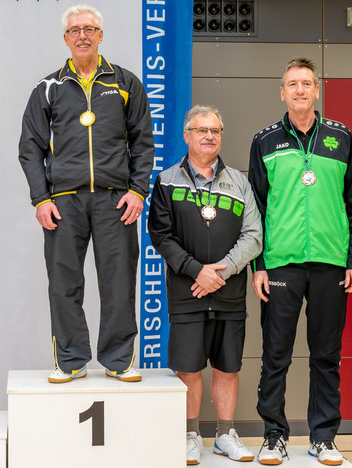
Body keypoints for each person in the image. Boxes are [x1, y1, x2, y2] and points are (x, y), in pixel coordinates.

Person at [19, 4, 154, 384]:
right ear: (65, 38)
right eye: (75, 30)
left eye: (89, 29)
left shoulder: (126, 83)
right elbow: (30, 147)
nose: (83, 35)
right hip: (64, 201)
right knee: (64, 284)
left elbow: (143, 142)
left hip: (116, 200)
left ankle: (118, 359)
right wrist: (41, 198)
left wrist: (138, 191)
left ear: (100, 35)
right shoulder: (48, 88)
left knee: (119, 282)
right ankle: (71, 360)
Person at [249, 57, 352, 466]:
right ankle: (273, 435)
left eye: (306, 83)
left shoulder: (341, 136)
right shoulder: (264, 141)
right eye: (292, 84)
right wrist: (259, 266)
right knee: (275, 354)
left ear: (317, 90)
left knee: (326, 355)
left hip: (331, 262)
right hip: (281, 263)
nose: (300, 90)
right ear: (282, 93)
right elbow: (255, 209)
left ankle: (323, 437)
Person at [149, 105, 262, 465]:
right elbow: (161, 235)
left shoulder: (240, 182)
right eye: (201, 130)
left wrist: (222, 272)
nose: (209, 136)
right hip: (188, 292)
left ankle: (225, 436)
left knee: (228, 368)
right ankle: (190, 435)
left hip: (229, 293)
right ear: (187, 135)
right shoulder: (167, 180)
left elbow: (254, 235)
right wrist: (197, 271)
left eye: (215, 130)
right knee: (188, 368)